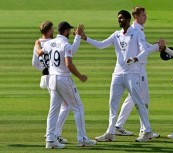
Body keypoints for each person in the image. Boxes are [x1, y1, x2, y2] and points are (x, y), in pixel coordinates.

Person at [80, 10, 164, 142]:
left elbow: (144, 51)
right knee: (112, 103)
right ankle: (110, 132)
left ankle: (147, 131)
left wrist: (135, 58)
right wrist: (85, 38)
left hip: (132, 73)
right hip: (118, 73)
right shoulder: (116, 35)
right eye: (118, 18)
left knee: (138, 102)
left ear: (127, 19)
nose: (119, 20)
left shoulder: (137, 33)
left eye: (121, 18)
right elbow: (101, 45)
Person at [35, 21, 97, 148]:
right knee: (78, 107)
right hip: (64, 79)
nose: (69, 32)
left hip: (52, 79)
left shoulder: (49, 43)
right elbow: (69, 64)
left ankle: (50, 140)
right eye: (69, 30)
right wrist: (80, 76)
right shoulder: (65, 45)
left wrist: (36, 44)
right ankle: (82, 139)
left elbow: (39, 53)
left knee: (53, 111)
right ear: (65, 31)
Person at [32, 20, 81, 144]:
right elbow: (70, 54)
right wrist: (77, 38)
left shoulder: (39, 43)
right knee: (65, 106)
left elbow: (35, 63)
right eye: (52, 29)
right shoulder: (54, 43)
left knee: (59, 107)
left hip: (46, 76)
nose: (53, 31)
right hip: (56, 76)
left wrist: (44, 69)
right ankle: (54, 134)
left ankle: (53, 134)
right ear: (48, 31)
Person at [115, 6, 160, 138]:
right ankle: (144, 129)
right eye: (143, 15)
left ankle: (119, 125)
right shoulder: (135, 30)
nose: (145, 17)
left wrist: (157, 47)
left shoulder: (137, 29)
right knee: (143, 100)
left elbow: (144, 45)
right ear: (136, 16)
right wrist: (157, 47)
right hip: (137, 69)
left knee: (132, 98)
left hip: (136, 68)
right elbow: (143, 50)